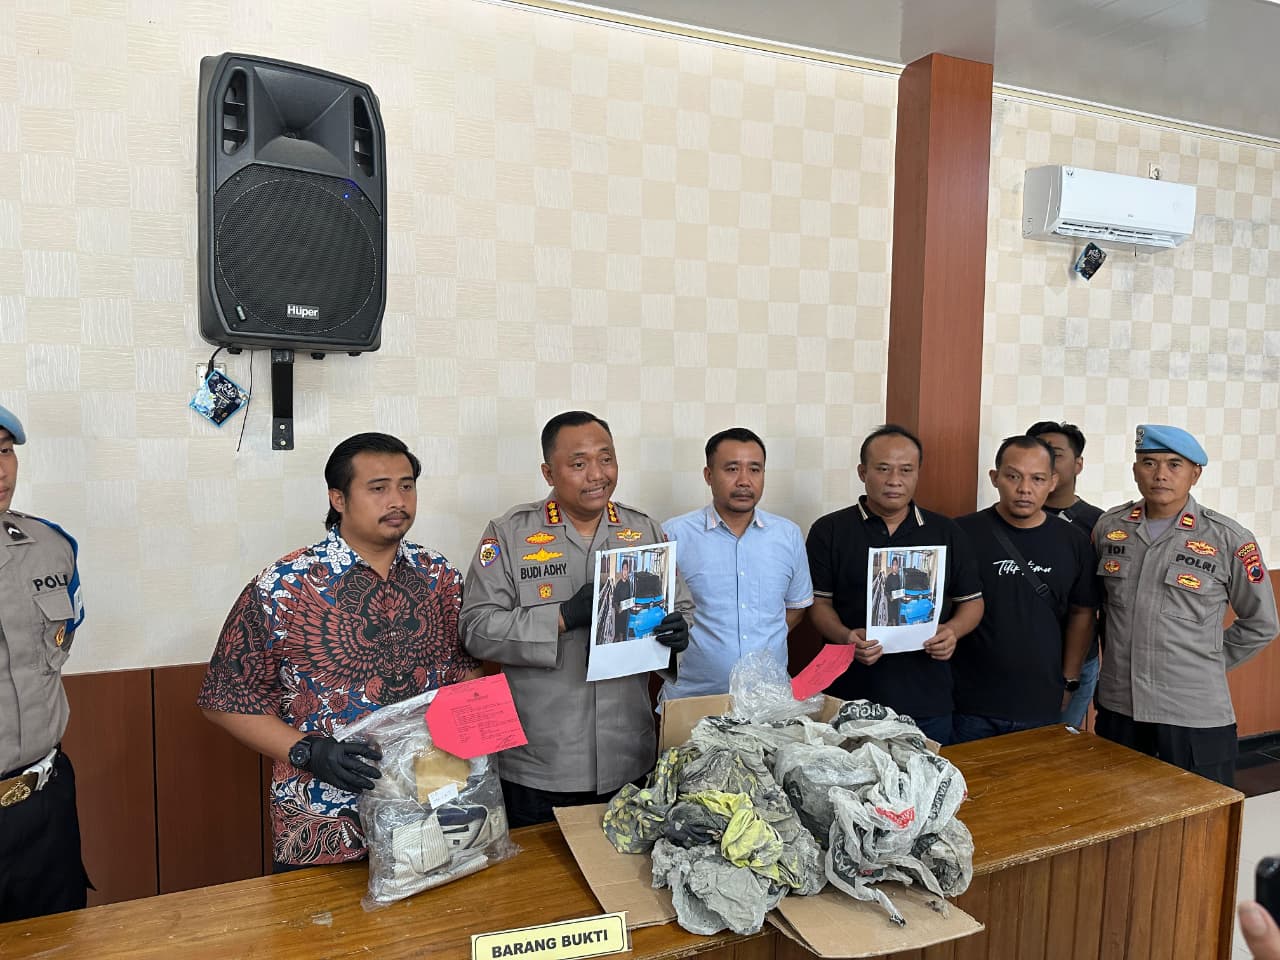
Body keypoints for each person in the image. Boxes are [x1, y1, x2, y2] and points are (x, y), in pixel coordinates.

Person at [198, 433, 480, 870]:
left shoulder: (439, 574)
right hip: (326, 822)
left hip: (433, 812)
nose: (397, 500)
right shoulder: (285, 585)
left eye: (406, 486)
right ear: (338, 498)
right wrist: (307, 752)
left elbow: (465, 672)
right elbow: (225, 699)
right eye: (378, 488)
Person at [460, 411, 693, 828]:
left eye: (606, 459)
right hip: (541, 764)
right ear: (548, 472)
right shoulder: (509, 534)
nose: (597, 475)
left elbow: (684, 607)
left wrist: (679, 632)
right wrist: (563, 617)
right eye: (579, 463)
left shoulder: (644, 530)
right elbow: (476, 628)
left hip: (630, 756)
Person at [1093, 424, 1279, 787]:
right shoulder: (1110, 528)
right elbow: (1100, 611)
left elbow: (1262, 623)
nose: (1160, 474)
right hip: (1121, 707)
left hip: (1193, 713)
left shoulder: (1227, 539)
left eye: (1174, 464)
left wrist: (1207, 661)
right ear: (1135, 470)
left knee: (1199, 815)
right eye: (1149, 463)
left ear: (1195, 474)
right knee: (1117, 810)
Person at [805, 425, 983, 745]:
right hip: (849, 695)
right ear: (863, 472)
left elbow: (972, 602)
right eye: (883, 469)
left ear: (918, 474)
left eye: (906, 470)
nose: (894, 480)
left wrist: (952, 631)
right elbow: (819, 604)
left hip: (926, 697)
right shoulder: (830, 530)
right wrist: (846, 637)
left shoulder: (946, 531)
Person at [0, 404, 89, 922]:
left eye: (4, 451)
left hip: (43, 807)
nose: (1, 470)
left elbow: (61, 640)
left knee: (57, 941)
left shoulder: (50, 548)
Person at [951, 436, 1099, 742]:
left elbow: (1082, 613)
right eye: (1013, 476)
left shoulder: (1073, 541)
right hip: (969, 702)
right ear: (995, 477)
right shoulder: (961, 533)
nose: (1024, 489)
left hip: (1042, 699)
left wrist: (1070, 680)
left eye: (1037, 479)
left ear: (1052, 482)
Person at [660, 427, 812, 701]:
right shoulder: (674, 535)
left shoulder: (788, 535)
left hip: (769, 700)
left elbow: (796, 608)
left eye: (755, 469)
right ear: (708, 475)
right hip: (693, 697)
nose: (744, 481)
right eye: (731, 469)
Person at [1027, 419, 1104, 729]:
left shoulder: (1099, 524)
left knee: (1059, 746)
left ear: (1078, 464)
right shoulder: (1008, 518)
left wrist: (1070, 675)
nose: (1046, 461)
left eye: (1056, 454)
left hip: (1076, 662)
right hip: (1019, 659)